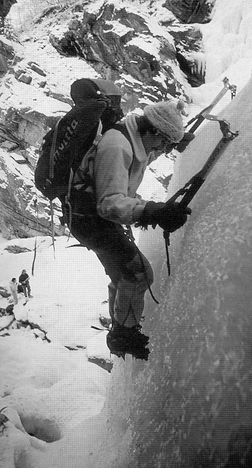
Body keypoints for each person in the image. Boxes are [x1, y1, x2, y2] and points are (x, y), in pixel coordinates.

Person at [65, 96, 193, 360]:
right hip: (94, 221)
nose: (163, 150)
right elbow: (108, 204)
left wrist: (177, 141)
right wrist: (151, 211)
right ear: (154, 131)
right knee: (139, 274)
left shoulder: (134, 136)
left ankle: (120, 330)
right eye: (164, 143)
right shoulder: (117, 146)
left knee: (123, 274)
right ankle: (124, 335)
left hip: (88, 217)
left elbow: (147, 152)